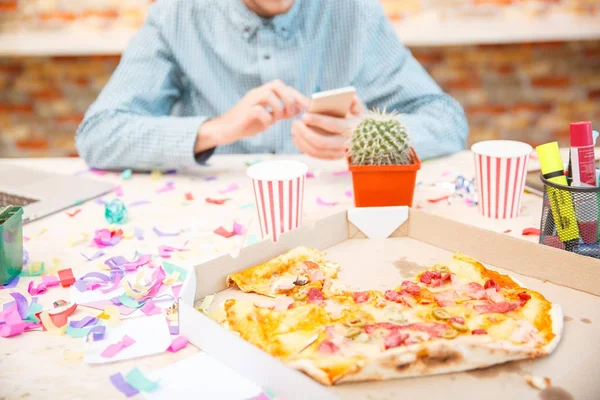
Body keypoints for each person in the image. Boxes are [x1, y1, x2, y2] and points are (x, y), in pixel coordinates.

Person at [76, 0, 468, 171]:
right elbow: (98, 136)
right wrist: (217, 129)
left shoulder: (355, 11)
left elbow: (447, 121)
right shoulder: (175, 15)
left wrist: (368, 136)